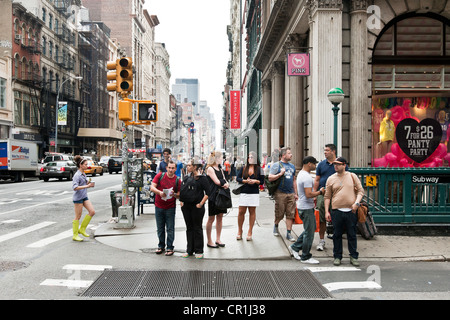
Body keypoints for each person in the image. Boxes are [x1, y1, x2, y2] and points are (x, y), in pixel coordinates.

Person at [324, 157, 364, 266]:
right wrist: (327, 211)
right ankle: (337, 256)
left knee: (352, 234)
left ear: (344, 165)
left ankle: (353, 256)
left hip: (351, 210)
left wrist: (356, 203)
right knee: (337, 234)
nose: (335, 166)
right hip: (336, 211)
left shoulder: (352, 176)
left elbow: (361, 191)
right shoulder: (330, 178)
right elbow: (327, 196)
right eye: (334, 164)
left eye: (338, 164)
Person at [289, 156, 324, 264]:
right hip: (306, 207)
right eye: (314, 164)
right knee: (309, 233)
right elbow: (309, 194)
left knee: (309, 230)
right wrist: (320, 192)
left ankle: (295, 247)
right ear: (309, 164)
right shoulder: (307, 177)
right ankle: (305, 256)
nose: (315, 166)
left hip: (304, 206)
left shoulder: (302, 174)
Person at [314, 143, 346, 251]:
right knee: (322, 217)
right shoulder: (321, 165)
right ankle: (321, 240)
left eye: (327, 150)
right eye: (324, 150)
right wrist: (315, 194)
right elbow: (317, 179)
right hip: (323, 194)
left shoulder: (340, 164)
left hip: (337, 195)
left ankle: (337, 239)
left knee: (337, 217)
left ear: (333, 151)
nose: (325, 152)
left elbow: (346, 178)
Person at [180, 159, 210, 259]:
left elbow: (208, 192)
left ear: (195, 167)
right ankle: (189, 250)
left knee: (197, 227)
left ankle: (199, 250)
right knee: (189, 228)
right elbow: (182, 190)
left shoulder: (202, 178)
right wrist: (181, 201)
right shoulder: (186, 177)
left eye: (189, 165)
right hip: (186, 206)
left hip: (197, 207)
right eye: (187, 165)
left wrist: (201, 203)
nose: (187, 167)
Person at [150, 160, 181, 256]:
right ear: (166, 168)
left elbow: (179, 195)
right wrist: (159, 193)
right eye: (169, 168)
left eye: (173, 168)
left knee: (170, 228)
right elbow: (152, 187)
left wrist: (174, 194)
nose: (171, 170)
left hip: (170, 207)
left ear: (175, 169)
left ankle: (170, 247)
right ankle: (161, 246)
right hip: (159, 205)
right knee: (160, 228)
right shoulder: (160, 176)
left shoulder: (177, 180)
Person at [268, 147, 298, 241]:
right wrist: (280, 174)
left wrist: (295, 193)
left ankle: (288, 233)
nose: (291, 155)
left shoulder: (292, 166)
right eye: (289, 153)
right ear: (283, 155)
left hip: (290, 193)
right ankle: (276, 225)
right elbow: (270, 177)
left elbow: (294, 180)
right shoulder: (277, 165)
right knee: (280, 213)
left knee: (290, 214)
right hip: (280, 193)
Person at [235, 151, 264, 241]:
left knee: (252, 212)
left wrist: (255, 181)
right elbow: (238, 178)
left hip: (254, 192)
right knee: (241, 212)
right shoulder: (244, 168)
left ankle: (250, 231)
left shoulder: (260, 169)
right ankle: (240, 231)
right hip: (244, 191)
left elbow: (262, 181)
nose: (250, 159)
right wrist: (245, 181)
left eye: (252, 157)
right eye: (249, 157)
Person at [205, 151, 229, 248]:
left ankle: (218, 239)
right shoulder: (210, 168)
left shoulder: (220, 169)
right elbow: (217, 182)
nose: (222, 159)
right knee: (211, 218)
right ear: (216, 158)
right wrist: (224, 183)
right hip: (213, 196)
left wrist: (226, 183)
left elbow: (224, 180)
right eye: (221, 157)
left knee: (220, 217)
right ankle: (209, 240)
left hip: (221, 195)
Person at [72, 155, 96, 242]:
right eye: (85, 164)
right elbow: (75, 187)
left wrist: (88, 182)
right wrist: (87, 185)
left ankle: (82, 229)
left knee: (92, 211)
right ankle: (75, 235)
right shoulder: (77, 175)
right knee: (77, 216)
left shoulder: (83, 173)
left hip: (84, 196)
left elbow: (83, 184)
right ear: (81, 165)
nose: (87, 166)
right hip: (78, 198)